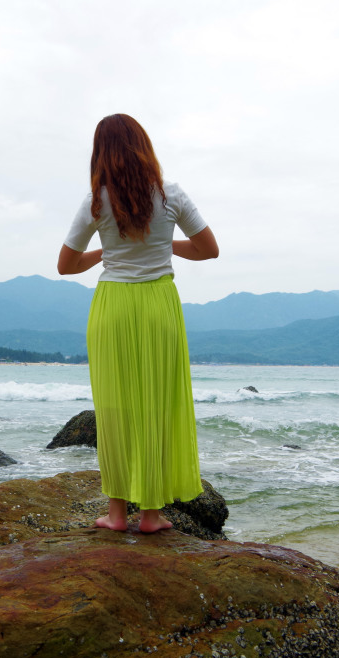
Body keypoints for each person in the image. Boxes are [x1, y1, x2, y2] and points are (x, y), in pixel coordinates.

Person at [57, 113, 219, 533]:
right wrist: (165, 244)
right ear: (143, 147)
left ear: (100, 153)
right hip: (158, 304)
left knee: (114, 408)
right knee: (158, 405)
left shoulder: (96, 201)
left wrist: (108, 254)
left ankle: (115, 516)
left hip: (113, 307)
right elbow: (208, 250)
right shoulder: (172, 195)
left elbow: (66, 265)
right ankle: (151, 516)